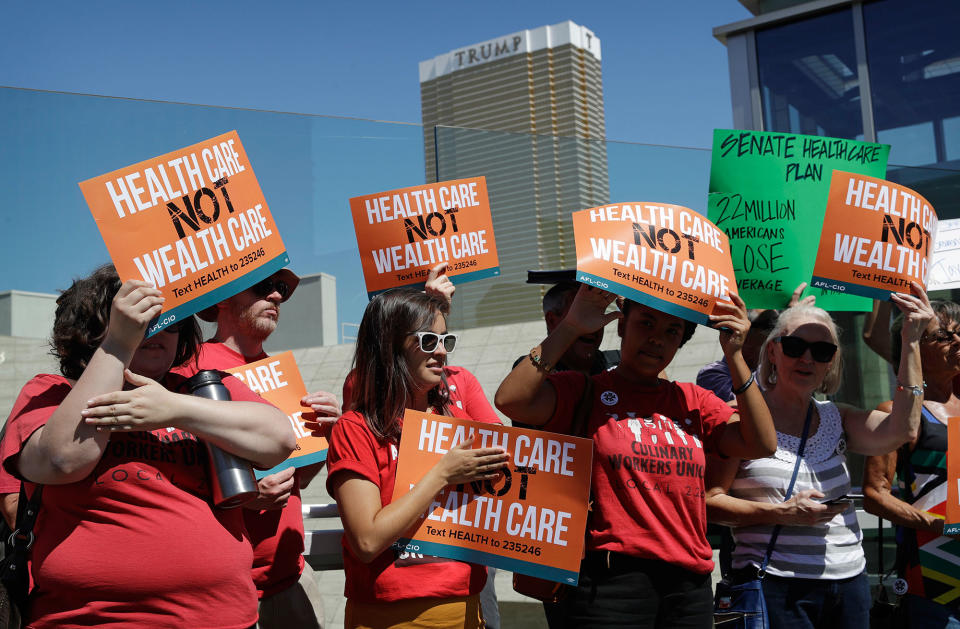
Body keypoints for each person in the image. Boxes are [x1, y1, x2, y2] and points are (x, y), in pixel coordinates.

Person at [0, 264, 294, 627]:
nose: (158, 331)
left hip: (223, 618)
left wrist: (175, 409)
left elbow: (280, 438)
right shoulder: (50, 393)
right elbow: (63, 459)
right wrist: (120, 344)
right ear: (95, 327)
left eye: (170, 321)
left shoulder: (205, 389)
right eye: (141, 318)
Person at [495, 285, 777, 628]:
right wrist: (570, 327)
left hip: (689, 586)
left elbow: (762, 443)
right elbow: (511, 400)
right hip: (609, 584)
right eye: (646, 323)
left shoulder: (694, 401)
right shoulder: (586, 390)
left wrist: (735, 356)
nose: (657, 339)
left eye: (672, 331)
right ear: (621, 325)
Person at [705, 286, 933, 629]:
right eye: (795, 347)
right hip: (774, 585)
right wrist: (781, 514)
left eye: (822, 351)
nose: (807, 359)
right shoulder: (739, 417)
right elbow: (709, 502)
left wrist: (912, 340)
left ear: (832, 362)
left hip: (850, 580)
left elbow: (904, 429)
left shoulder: (836, 417)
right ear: (773, 352)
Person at [326, 288, 508, 628]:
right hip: (389, 617)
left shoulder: (457, 420)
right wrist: (441, 475)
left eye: (445, 339)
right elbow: (367, 540)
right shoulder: (355, 429)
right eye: (427, 340)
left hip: (467, 609)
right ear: (388, 344)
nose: (441, 352)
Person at [176, 267, 339, 629]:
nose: (277, 297)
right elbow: (170, 478)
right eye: (263, 287)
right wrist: (245, 493)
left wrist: (328, 434)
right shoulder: (187, 370)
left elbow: (298, 479)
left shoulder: (280, 375)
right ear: (221, 298)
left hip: (290, 578)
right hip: (220, 592)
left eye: (280, 288)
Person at [863, 300, 960, 628]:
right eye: (944, 336)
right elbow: (875, 496)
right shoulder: (897, 413)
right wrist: (941, 525)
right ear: (914, 347)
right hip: (934, 585)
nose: (957, 341)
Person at [697, 308, 778, 401]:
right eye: (766, 348)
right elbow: (745, 402)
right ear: (743, 339)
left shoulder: (773, 373)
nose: (771, 353)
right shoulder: (711, 374)